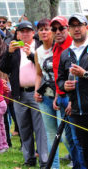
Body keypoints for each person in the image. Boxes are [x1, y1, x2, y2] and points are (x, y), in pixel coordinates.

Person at [0, 21, 48, 168]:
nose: (25, 34)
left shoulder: (39, 46)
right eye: (22, 31)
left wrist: (30, 55)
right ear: (18, 34)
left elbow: (45, 65)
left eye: (28, 31)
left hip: (37, 92)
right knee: (24, 128)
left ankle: (44, 160)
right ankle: (29, 159)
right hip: (19, 94)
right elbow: (2, 67)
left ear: (33, 33)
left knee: (41, 129)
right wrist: (9, 53)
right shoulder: (13, 48)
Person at [50, 16, 82, 168]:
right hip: (62, 97)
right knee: (68, 138)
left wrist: (71, 100)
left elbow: (77, 79)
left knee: (77, 139)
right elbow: (60, 77)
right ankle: (76, 164)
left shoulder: (73, 48)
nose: (58, 32)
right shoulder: (58, 48)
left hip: (74, 102)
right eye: (54, 29)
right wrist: (58, 93)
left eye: (61, 28)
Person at [57, 13, 88, 168]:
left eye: (79, 25)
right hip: (76, 110)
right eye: (73, 26)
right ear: (69, 29)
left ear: (86, 27)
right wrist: (64, 86)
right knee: (82, 148)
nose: (77, 29)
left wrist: (85, 74)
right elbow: (60, 79)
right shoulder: (66, 53)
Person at [34, 18, 62, 168]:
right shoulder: (38, 51)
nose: (44, 32)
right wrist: (36, 91)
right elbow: (39, 74)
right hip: (45, 97)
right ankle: (54, 166)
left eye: (47, 29)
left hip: (60, 97)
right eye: (41, 29)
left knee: (63, 135)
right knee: (51, 135)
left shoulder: (59, 48)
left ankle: (76, 162)